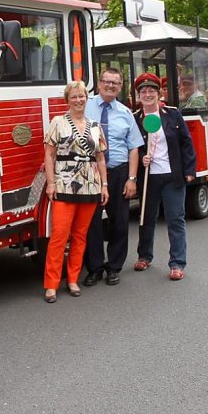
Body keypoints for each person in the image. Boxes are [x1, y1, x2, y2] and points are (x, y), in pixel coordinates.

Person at [42, 81, 109, 303]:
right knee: (59, 236)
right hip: (64, 185)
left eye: (82, 96)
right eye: (74, 97)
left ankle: (72, 279)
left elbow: (100, 158)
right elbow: (49, 155)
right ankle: (51, 284)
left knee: (80, 236)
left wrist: (104, 185)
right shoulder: (58, 122)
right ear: (67, 100)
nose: (78, 100)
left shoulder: (95, 126)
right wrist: (50, 183)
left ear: (86, 99)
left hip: (90, 186)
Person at [132, 73, 197, 281]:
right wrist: (142, 157)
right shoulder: (135, 118)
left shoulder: (173, 114)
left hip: (172, 175)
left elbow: (186, 143)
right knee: (146, 218)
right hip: (149, 177)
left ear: (158, 93)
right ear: (139, 95)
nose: (147, 94)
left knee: (175, 219)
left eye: (151, 90)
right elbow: (132, 147)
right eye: (143, 91)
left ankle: (177, 263)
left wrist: (189, 171)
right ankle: (144, 256)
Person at [83, 67, 144, 286]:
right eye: (106, 81)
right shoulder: (85, 105)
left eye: (115, 83)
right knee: (91, 223)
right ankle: (94, 268)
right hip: (90, 173)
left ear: (120, 87)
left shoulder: (126, 113)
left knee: (119, 222)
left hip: (118, 173)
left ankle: (114, 267)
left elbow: (134, 148)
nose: (110, 85)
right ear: (99, 83)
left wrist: (132, 179)